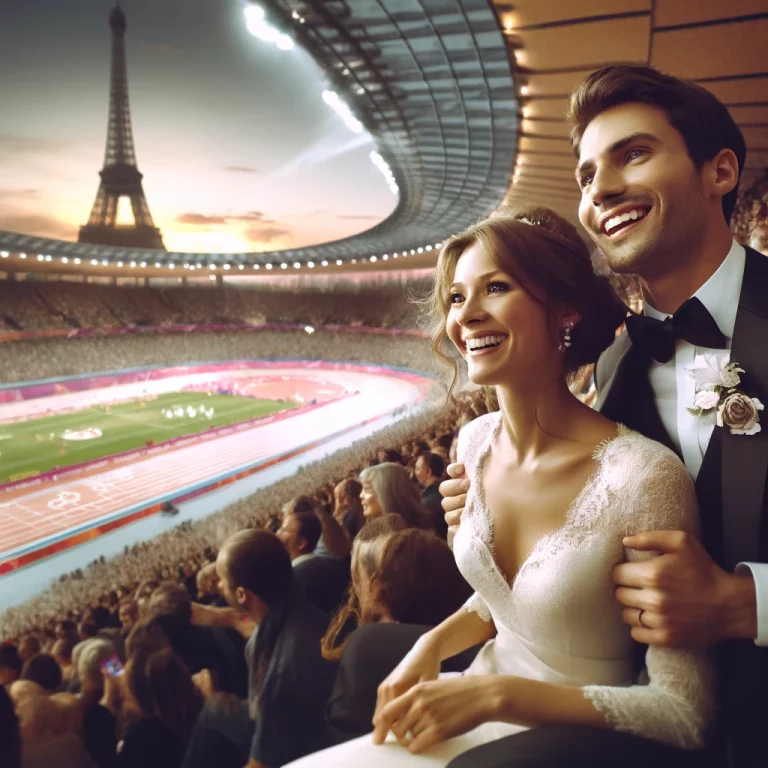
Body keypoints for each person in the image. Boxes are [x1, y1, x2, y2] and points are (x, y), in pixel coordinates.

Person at [285, 205, 712, 768]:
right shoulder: (472, 442)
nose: (467, 316)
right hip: (479, 697)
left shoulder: (643, 477)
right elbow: (510, 598)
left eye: (497, 287)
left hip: (572, 740)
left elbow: (686, 715)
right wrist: (431, 644)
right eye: (457, 298)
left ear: (563, 311)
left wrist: (499, 695)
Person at [440, 64, 766, 768]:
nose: (601, 190)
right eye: (587, 175)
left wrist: (747, 603)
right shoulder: (615, 369)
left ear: (721, 171)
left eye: (634, 154)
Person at [215, 528, 336, 767]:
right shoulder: (305, 613)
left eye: (222, 580)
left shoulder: (282, 671)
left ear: (242, 595)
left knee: (213, 714)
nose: (219, 586)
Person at [278, 508, 350, 615]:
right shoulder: (325, 564)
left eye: (285, 530)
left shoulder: (295, 581)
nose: (278, 532)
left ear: (301, 543)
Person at [359, 463, 433, 529]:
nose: (361, 495)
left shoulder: (416, 539)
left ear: (387, 493)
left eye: (367, 489)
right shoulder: (371, 531)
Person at [414, 452, 448, 538]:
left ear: (428, 471)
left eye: (418, 468)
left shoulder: (426, 502)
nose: (415, 472)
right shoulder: (448, 488)